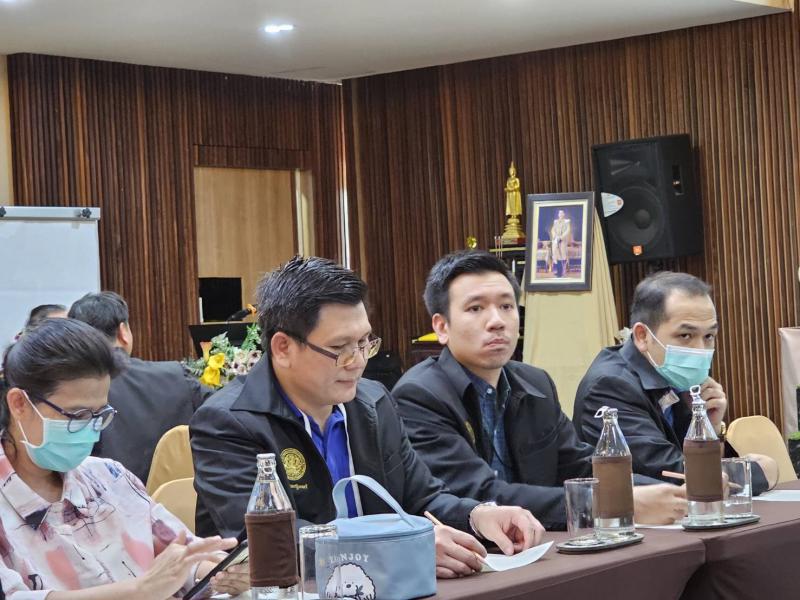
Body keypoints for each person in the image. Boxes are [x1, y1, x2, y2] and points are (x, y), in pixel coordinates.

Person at [191, 256, 544, 579]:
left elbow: (423, 498)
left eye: (364, 343)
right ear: (283, 348)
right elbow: (268, 544)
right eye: (339, 348)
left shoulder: (372, 402)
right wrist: (398, 549)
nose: (358, 361)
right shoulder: (228, 423)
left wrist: (478, 516)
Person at [393, 250, 687, 531]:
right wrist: (614, 502)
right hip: (475, 551)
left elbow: (579, 466)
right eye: (475, 308)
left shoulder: (535, 383)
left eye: (506, 306)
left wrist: (671, 492)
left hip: (543, 542)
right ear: (442, 327)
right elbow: (480, 494)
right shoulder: (420, 396)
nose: (497, 322)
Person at [0, 318, 247, 598]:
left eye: (99, 415)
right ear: (19, 404)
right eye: (78, 415)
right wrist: (141, 590)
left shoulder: (108, 478)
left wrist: (219, 572)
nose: (90, 430)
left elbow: (181, 557)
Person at [573, 271, 778, 492]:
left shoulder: (672, 378)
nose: (700, 349)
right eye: (685, 336)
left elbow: (706, 467)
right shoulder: (610, 386)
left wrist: (709, 427)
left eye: (709, 336)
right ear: (642, 336)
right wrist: (757, 473)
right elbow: (672, 474)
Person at [69, 292, 212, 483]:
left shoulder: (70, 395)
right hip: (180, 499)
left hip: (106, 498)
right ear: (123, 332)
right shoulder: (177, 377)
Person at [550, 209, 570, 277]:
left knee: (562, 256)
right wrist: (555, 236)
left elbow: (567, 230)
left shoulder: (567, 221)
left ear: (564, 214)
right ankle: (558, 272)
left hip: (562, 241)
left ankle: (562, 272)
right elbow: (552, 230)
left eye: (562, 213)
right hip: (556, 240)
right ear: (558, 215)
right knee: (557, 256)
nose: (560, 214)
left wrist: (561, 237)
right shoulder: (555, 222)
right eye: (559, 213)